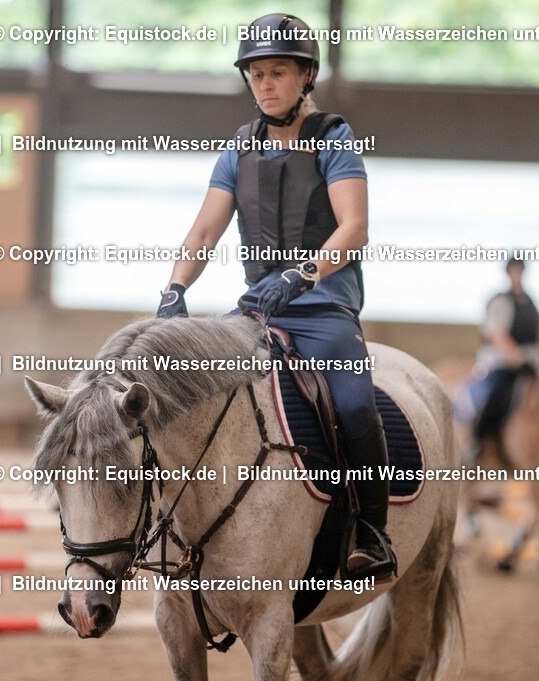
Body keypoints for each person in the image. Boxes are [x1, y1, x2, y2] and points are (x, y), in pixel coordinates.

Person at [156, 13, 395, 581]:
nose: (265, 84)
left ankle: (371, 530)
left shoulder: (335, 140)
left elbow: (353, 228)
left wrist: (301, 276)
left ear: (306, 75)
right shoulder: (237, 151)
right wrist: (173, 289)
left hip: (323, 308)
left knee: (357, 404)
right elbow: (204, 232)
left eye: (278, 72)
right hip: (256, 311)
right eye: (256, 73)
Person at [456, 257, 539, 450]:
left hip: (529, 363)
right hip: (503, 362)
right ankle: (477, 442)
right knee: (496, 394)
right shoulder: (500, 302)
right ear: (508, 272)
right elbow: (498, 335)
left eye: (520, 270)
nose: (517, 274)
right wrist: (516, 356)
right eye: (514, 270)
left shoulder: (531, 302)